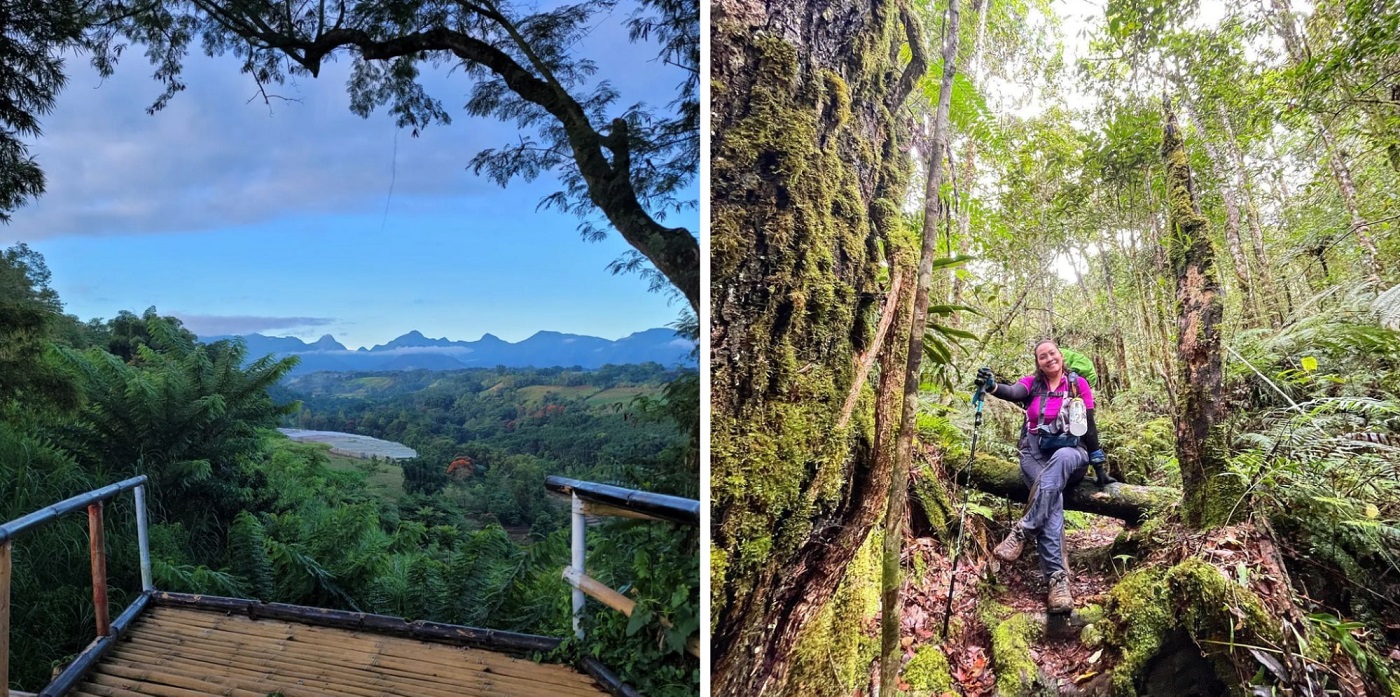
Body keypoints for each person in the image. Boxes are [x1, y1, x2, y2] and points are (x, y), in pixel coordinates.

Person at [975, 339, 1111, 614]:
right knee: (1052, 498)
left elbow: (1089, 426)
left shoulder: (1077, 385)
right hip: (1035, 455)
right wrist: (991, 386)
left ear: (1061, 356)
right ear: (1038, 363)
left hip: (1072, 453)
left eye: (1052, 354)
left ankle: (1022, 531)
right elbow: (1012, 391)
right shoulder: (1032, 385)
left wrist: (1098, 465)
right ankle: (1058, 583)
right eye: (1042, 357)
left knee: (1061, 461)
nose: (1049, 359)